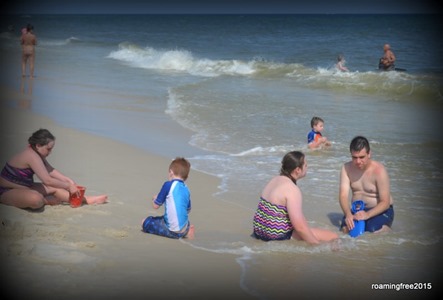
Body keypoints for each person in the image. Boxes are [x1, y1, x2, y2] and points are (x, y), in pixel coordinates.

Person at [0, 129, 108, 210]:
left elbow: (50, 170)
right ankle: (46, 201)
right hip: (6, 190)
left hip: (26, 187)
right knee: (36, 199)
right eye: (48, 149)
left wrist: (67, 180)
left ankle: (87, 200)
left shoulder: (38, 154)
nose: (50, 152)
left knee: (55, 189)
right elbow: (47, 180)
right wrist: (68, 186)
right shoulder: (31, 155)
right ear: (38, 145)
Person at [252, 151, 338, 244]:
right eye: (305, 165)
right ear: (298, 170)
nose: (307, 168)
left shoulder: (274, 180)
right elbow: (300, 227)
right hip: (275, 235)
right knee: (333, 236)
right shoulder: (292, 189)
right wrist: (316, 244)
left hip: (259, 231)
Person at [339, 136, 394, 234]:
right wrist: (348, 214)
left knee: (373, 232)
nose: (358, 161)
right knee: (346, 231)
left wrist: (367, 215)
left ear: (369, 154)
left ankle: (388, 230)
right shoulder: (346, 168)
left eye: (361, 157)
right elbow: (343, 196)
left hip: (380, 210)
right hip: (357, 210)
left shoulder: (379, 170)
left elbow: (385, 202)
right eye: (354, 157)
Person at [142, 157, 195, 239]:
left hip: (172, 230)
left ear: (171, 172)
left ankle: (177, 232)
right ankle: (187, 231)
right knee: (169, 218)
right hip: (184, 227)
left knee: (145, 221)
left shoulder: (168, 185)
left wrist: (154, 198)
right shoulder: (187, 190)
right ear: (186, 177)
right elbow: (188, 210)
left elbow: (155, 206)